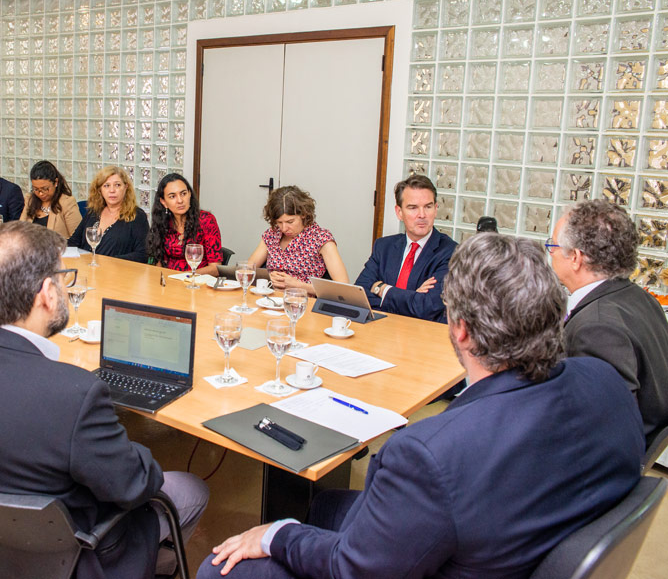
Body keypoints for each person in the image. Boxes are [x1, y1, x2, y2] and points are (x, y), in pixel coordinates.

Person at [200, 233, 644, 579]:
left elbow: (352, 569)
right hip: (519, 540)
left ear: (462, 330)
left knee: (220, 567)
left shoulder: (426, 454)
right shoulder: (606, 381)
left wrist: (275, 535)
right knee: (325, 506)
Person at [0, 222, 208, 579]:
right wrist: (137, 451)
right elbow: (134, 485)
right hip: (69, 556)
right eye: (62, 278)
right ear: (47, 293)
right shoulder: (73, 393)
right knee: (189, 489)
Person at [549, 199, 668, 447]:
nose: (550, 254)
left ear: (576, 258)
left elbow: (603, 427)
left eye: (552, 246)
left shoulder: (597, 329)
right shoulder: (640, 298)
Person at [355, 174, 457, 322]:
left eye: (428, 207)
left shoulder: (451, 252)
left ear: (435, 209)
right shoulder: (384, 247)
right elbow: (360, 295)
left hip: (422, 338)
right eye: (413, 208)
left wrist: (382, 289)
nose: (422, 215)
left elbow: (426, 307)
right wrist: (412, 296)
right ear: (399, 212)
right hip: (381, 332)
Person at [246, 186, 348, 294]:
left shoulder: (321, 238)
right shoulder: (272, 235)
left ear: (303, 214)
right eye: (279, 223)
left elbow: (343, 288)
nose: (284, 228)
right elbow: (247, 270)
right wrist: (268, 277)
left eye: (290, 222)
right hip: (270, 299)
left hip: (302, 304)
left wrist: (298, 285)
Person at [68, 166, 149, 263]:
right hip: (87, 269)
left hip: (117, 273)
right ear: (100, 190)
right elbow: (73, 242)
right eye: (106, 185)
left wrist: (107, 262)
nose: (112, 190)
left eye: (117, 185)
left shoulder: (137, 216)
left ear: (126, 187)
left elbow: (143, 254)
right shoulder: (93, 211)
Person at [146, 173, 223, 276]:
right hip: (169, 283)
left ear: (189, 194)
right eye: (172, 196)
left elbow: (215, 268)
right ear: (164, 202)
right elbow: (158, 262)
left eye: (183, 194)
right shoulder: (163, 222)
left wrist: (184, 277)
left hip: (198, 284)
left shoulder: (206, 220)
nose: (180, 200)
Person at [18, 160, 82, 239]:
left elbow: (77, 238)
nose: (40, 193)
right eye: (36, 189)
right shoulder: (30, 200)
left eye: (45, 189)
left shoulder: (67, 202)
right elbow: (20, 231)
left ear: (55, 182)